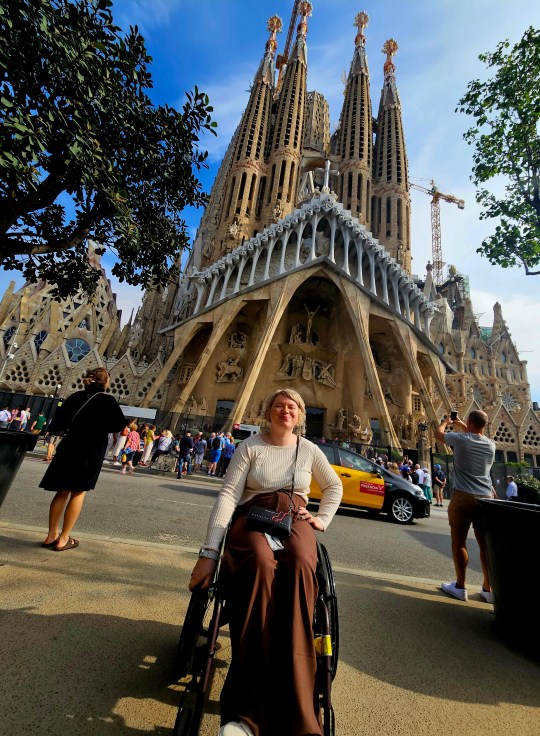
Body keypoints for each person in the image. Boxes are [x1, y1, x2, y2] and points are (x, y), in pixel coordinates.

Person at [189, 388, 343, 736]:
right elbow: (229, 495)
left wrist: (322, 518)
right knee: (258, 562)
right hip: (254, 514)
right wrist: (209, 554)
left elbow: (334, 487)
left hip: (293, 516)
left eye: (291, 407)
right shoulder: (250, 446)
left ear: (300, 415)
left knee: (303, 563)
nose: (284, 412)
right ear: (268, 412)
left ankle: (302, 716)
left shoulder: (309, 450)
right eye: (278, 406)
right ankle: (244, 714)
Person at [40, 367, 126, 551]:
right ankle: (64, 539)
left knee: (61, 490)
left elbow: (58, 424)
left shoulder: (75, 397)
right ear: (105, 382)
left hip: (69, 446)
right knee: (78, 491)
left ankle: (50, 535)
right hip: (91, 449)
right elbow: (118, 425)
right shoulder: (107, 401)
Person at [434, 410, 496, 603]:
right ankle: (488, 588)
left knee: (459, 540)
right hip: (486, 497)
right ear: (484, 425)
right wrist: (463, 424)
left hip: (463, 497)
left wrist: (446, 421)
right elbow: (476, 433)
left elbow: (438, 435)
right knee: (484, 545)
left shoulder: (461, 440)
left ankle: (460, 586)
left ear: (469, 422)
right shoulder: (491, 445)